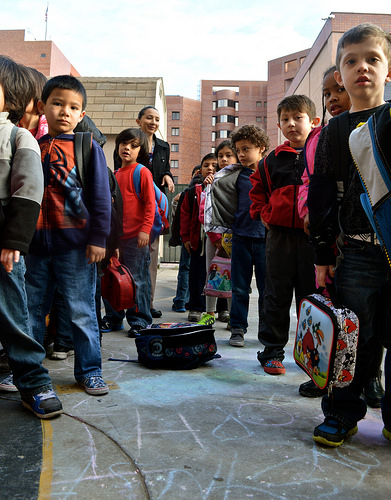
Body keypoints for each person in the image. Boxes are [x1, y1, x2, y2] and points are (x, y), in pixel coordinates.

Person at [308, 23, 391, 447]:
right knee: (352, 337)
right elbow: (322, 193)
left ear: (388, 69)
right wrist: (323, 251)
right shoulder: (336, 131)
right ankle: (342, 412)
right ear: (338, 75)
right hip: (357, 252)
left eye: (372, 59)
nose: (362, 68)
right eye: (351, 61)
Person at [24, 75, 112, 396]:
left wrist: (98, 238)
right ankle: (27, 369)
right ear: (42, 107)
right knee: (32, 309)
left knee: (81, 310)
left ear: (82, 114)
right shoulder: (30, 145)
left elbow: (101, 197)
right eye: (57, 103)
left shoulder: (87, 148)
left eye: (73, 107)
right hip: (34, 246)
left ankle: (89, 370)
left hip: (76, 245)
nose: (65, 111)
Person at [0, 55, 62, 418]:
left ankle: (33, 381)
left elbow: (28, 191)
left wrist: (13, 241)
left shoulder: (16, 136)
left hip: (4, 248)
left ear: (10, 97)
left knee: (14, 315)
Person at [250, 95, 320, 374]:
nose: (291, 124)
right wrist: (264, 214)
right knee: (275, 295)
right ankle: (272, 351)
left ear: (313, 122)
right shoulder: (271, 160)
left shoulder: (321, 154)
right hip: (278, 238)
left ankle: (312, 355)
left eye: (298, 118)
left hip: (312, 239)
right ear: (279, 124)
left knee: (311, 297)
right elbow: (257, 191)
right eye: (285, 119)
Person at [204, 126, 269, 347]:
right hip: (240, 237)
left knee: (266, 288)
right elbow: (221, 194)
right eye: (238, 150)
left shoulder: (270, 173)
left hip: (264, 239)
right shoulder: (235, 174)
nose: (241, 154)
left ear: (261, 148)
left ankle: (266, 331)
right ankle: (237, 328)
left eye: (246, 149)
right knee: (239, 287)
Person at [103, 128, 155, 338]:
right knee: (112, 279)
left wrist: (145, 230)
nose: (127, 148)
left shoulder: (141, 171)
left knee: (138, 279)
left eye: (133, 145)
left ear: (140, 150)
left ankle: (139, 320)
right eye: (124, 143)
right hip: (116, 238)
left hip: (136, 238)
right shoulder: (114, 174)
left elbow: (150, 204)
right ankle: (114, 318)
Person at [136, 106, 174, 319]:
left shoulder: (163, 146)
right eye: (149, 118)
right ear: (138, 120)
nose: (153, 122)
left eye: (157, 119)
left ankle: (147, 304)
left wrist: (168, 175)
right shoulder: (130, 142)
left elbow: (166, 168)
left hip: (155, 207)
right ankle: (128, 303)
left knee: (150, 257)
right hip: (133, 204)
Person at [199, 141, 239, 326]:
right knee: (212, 274)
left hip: (234, 237)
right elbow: (204, 210)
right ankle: (209, 313)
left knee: (233, 277)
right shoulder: (211, 180)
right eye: (220, 155)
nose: (223, 159)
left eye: (228, 155)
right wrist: (215, 237)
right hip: (214, 237)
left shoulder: (242, 177)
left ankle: (232, 316)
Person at [180, 154, 217, 322]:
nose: (210, 168)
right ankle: (195, 307)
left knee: (220, 274)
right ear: (200, 169)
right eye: (206, 165)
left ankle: (221, 309)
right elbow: (185, 215)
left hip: (220, 241)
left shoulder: (224, 187)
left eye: (214, 165)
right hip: (198, 241)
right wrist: (186, 237)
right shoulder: (193, 191)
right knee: (196, 274)